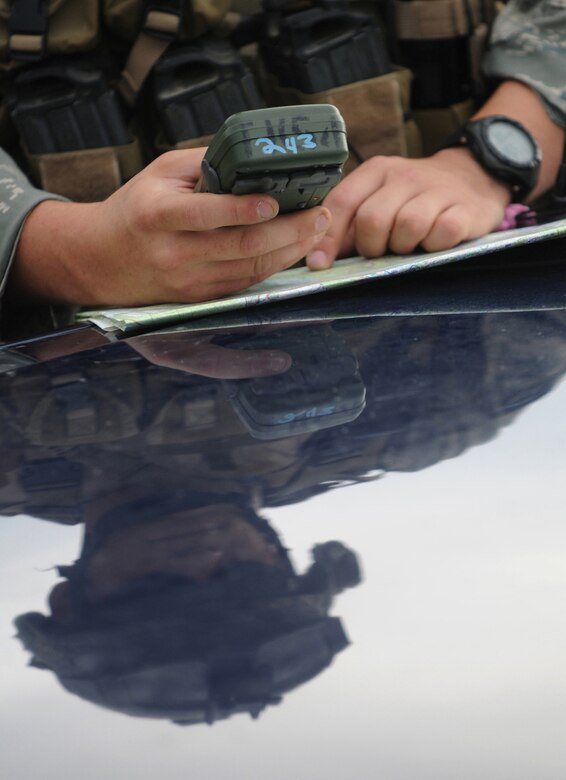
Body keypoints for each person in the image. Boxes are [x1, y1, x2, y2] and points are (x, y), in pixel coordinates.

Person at [1, 0, 565, 318]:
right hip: (80, 364)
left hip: (459, 300)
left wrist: (487, 160)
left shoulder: (436, 437)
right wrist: (63, 250)